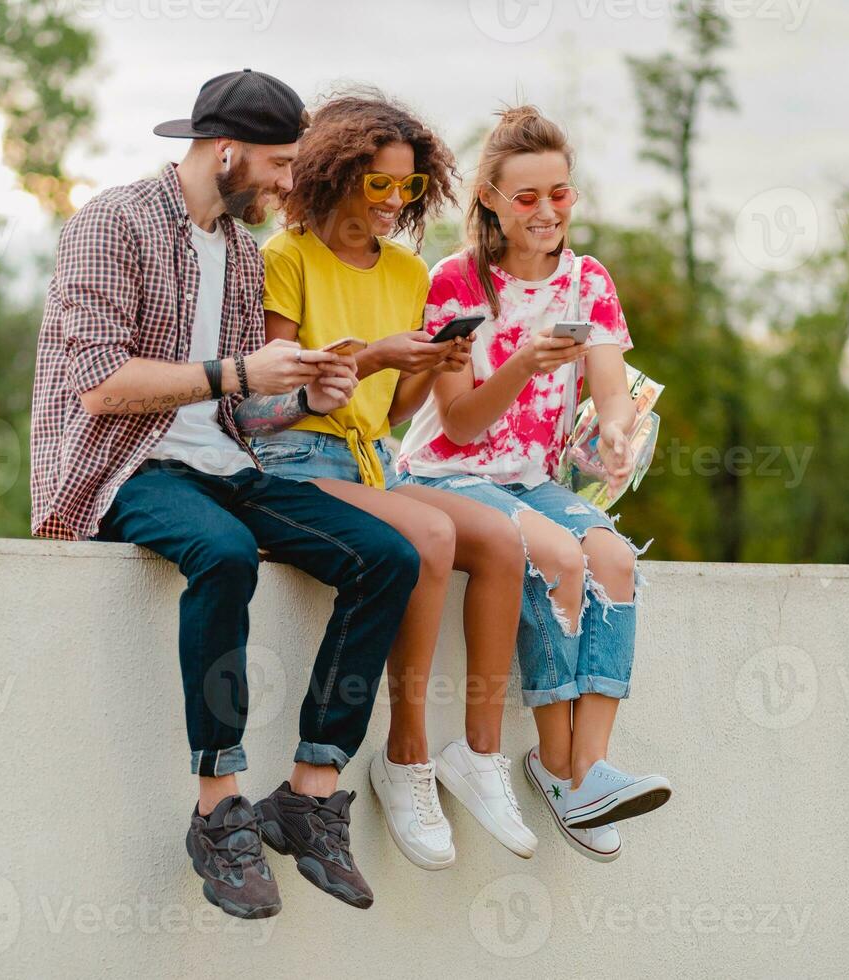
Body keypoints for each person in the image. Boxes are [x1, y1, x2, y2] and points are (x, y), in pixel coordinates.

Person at [29, 69, 420, 918]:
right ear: (227, 149)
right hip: (120, 464)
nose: (288, 185)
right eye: (281, 166)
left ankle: (310, 792)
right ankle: (218, 807)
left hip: (227, 464)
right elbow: (99, 385)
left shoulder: (241, 252)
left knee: (389, 555)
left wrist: (306, 394)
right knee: (224, 554)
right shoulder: (112, 222)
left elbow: (243, 407)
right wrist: (239, 371)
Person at [250, 91, 537, 871]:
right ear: (334, 174)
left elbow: (393, 410)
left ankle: (478, 756)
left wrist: (431, 364)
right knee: (434, 533)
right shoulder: (288, 257)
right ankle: (404, 757)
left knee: (503, 543)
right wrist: (376, 356)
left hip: (369, 463)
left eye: (409, 187)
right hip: (293, 464)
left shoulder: (409, 270)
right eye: (379, 183)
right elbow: (265, 405)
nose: (395, 202)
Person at [398, 105, 673, 864]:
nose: (547, 211)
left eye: (561, 193)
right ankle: (558, 767)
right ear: (488, 196)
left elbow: (612, 389)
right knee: (558, 555)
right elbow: (454, 424)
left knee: (614, 558)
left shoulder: (588, 280)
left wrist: (616, 430)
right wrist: (521, 364)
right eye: (527, 197)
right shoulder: (454, 283)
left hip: (528, 479)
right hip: (444, 472)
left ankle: (587, 770)